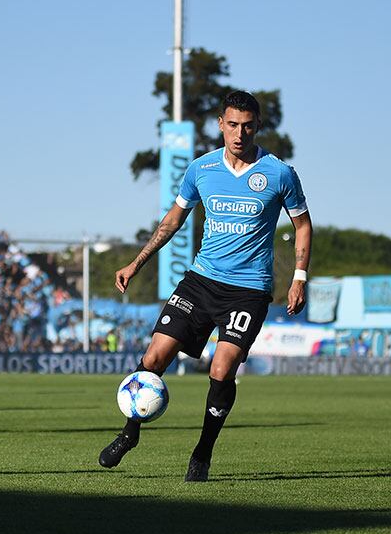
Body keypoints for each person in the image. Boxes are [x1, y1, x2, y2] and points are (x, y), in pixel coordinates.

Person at [98, 91, 313, 481]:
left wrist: (299, 277)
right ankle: (130, 433)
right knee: (154, 358)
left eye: (248, 126)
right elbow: (172, 221)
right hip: (200, 281)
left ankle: (202, 453)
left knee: (221, 366)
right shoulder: (201, 169)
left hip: (249, 290)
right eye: (232, 124)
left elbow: (302, 225)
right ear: (220, 124)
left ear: (258, 126)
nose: (239, 133)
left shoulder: (279, 173)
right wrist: (136, 262)